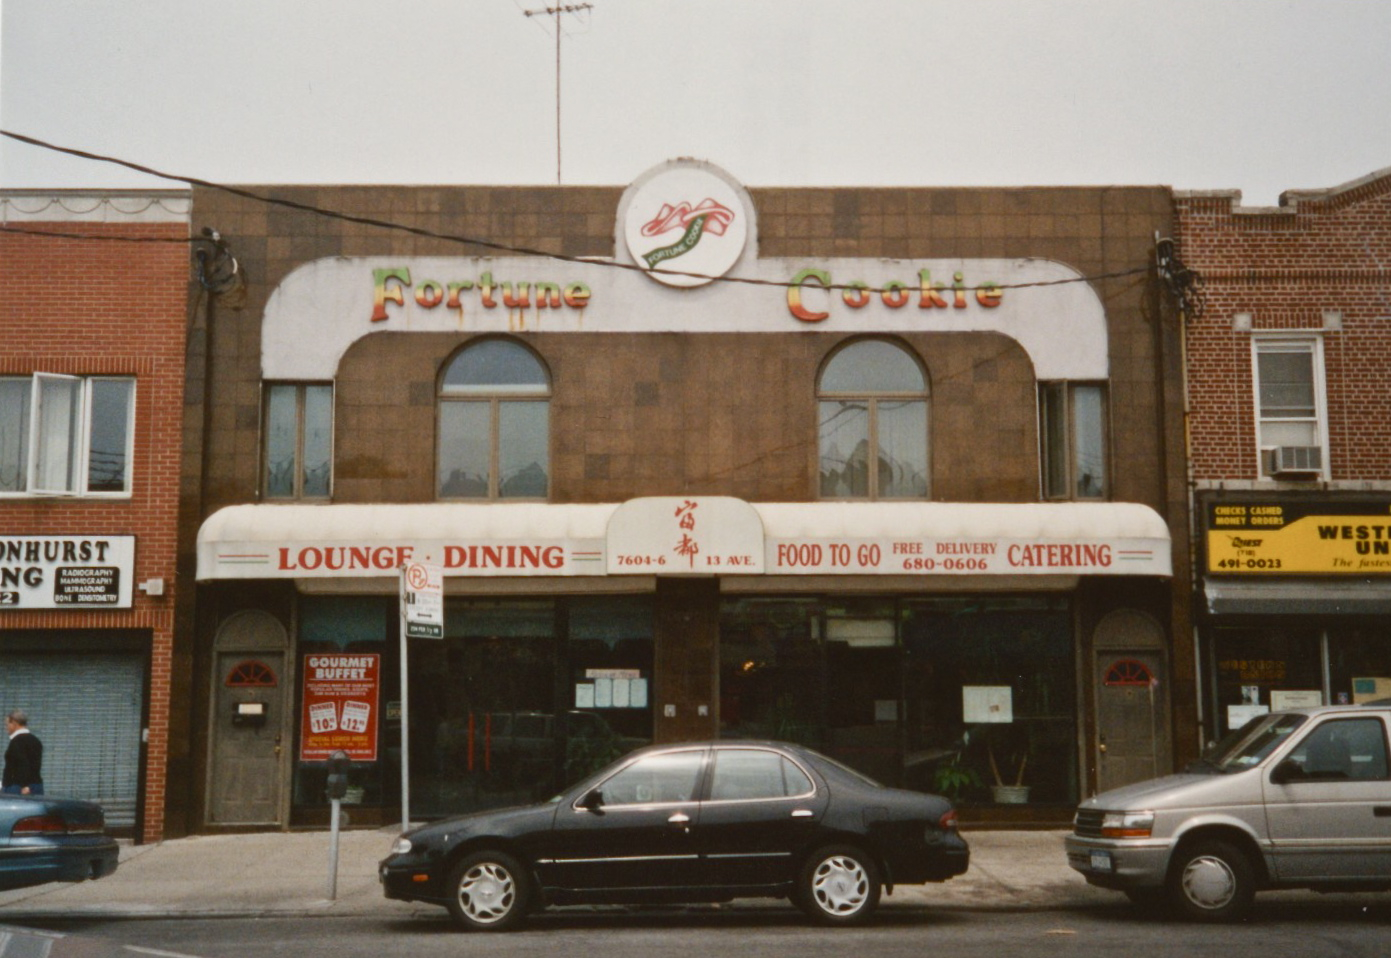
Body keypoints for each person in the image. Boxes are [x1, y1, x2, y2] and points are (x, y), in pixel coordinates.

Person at [3, 709, 44, 796]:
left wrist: (24, 785)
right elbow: (35, 764)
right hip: (36, 785)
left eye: (7, 724)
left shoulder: (17, 742)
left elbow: (22, 763)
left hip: (18, 787)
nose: (6, 728)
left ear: (14, 723)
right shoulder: (36, 740)